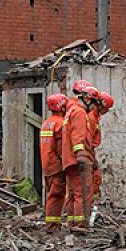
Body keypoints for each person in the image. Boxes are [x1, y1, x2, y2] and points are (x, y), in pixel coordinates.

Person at [60, 81, 97, 229]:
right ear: (88, 100)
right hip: (78, 160)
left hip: (69, 160)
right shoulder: (80, 112)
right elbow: (78, 135)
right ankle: (80, 225)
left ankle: (72, 222)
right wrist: (81, 154)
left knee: (73, 194)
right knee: (83, 192)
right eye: (94, 104)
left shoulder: (70, 111)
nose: (94, 108)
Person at [38, 93, 69, 228]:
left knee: (51, 193)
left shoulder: (46, 123)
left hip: (46, 164)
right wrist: (66, 162)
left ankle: (52, 222)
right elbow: (61, 147)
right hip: (56, 164)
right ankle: (52, 224)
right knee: (56, 195)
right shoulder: (60, 124)